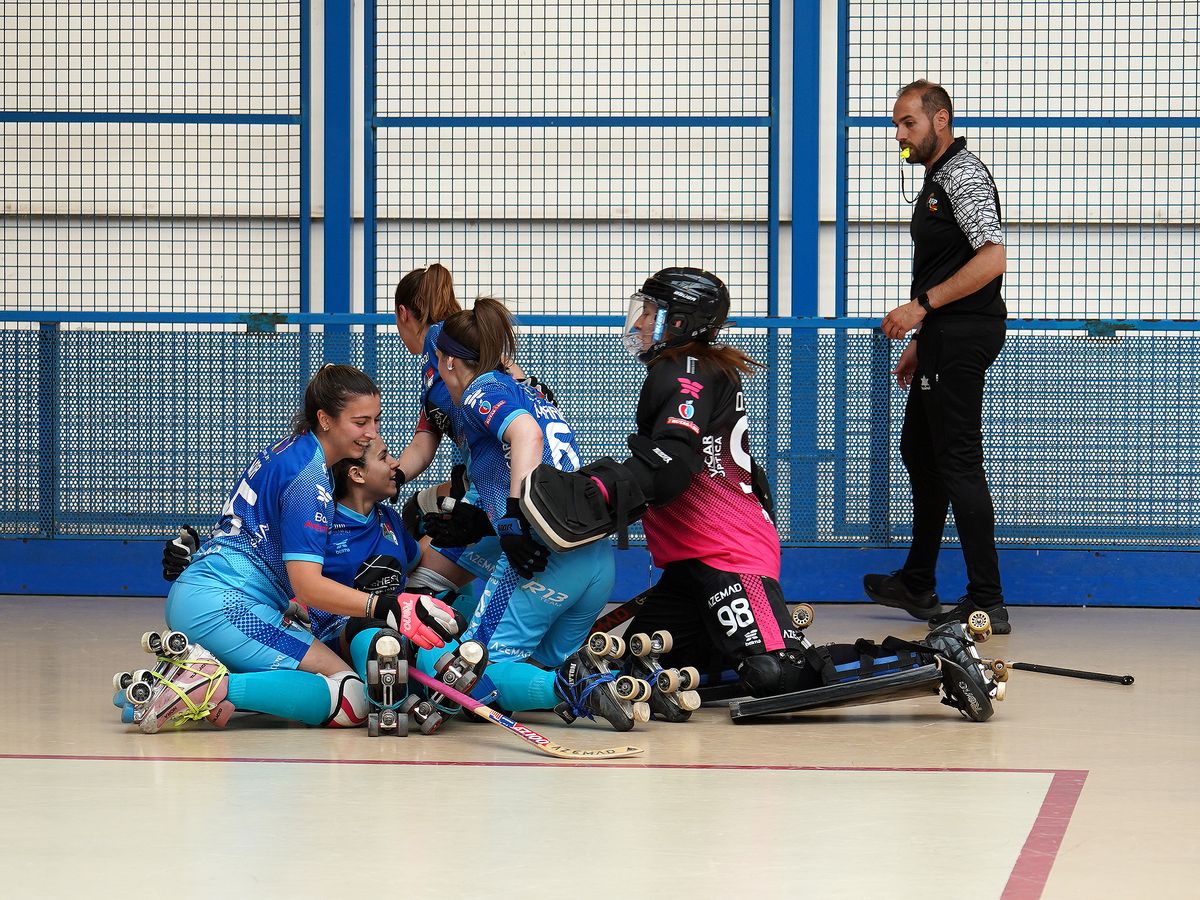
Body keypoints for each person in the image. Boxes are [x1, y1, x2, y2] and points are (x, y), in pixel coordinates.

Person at [518, 267, 1007, 722]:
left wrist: (595, 490)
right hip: (690, 563)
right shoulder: (695, 366)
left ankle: (937, 655)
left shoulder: (685, 369)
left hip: (726, 555)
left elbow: (672, 463)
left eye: (651, 312)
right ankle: (734, 649)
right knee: (642, 673)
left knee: (777, 671)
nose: (641, 322)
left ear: (681, 321)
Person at [117, 364, 459, 733]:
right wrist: (387, 606)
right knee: (353, 697)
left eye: (375, 420)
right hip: (228, 606)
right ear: (325, 419)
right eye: (360, 422)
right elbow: (308, 587)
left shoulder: (295, 451)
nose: (371, 433)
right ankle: (208, 687)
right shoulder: (309, 476)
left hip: (209, 596)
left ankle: (164, 685)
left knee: (317, 679)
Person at [427, 295, 652, 731]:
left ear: (452, 362)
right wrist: (482, 519)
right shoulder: (524, 387)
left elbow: (526, 435)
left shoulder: (480, 389)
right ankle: (611, 683)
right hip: (593, 561)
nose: (437, 371)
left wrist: (514, 517)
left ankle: (574, 687)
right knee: (529, 667)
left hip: (545, 558)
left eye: (438, 361)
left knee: (468, 676)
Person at [865, 80, 1010, 634]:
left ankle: (986, 600)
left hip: (964, 333)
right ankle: (918, 580)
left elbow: (992, 258)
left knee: (955, 460)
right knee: (920, 452)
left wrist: (921, 309)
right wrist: (922, 343)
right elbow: (947, 261)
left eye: (909, 123)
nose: (900, 134)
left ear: (940, 119)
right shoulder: (935, 178)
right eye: (897, 125)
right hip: (942, 336)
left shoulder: (963, 173)